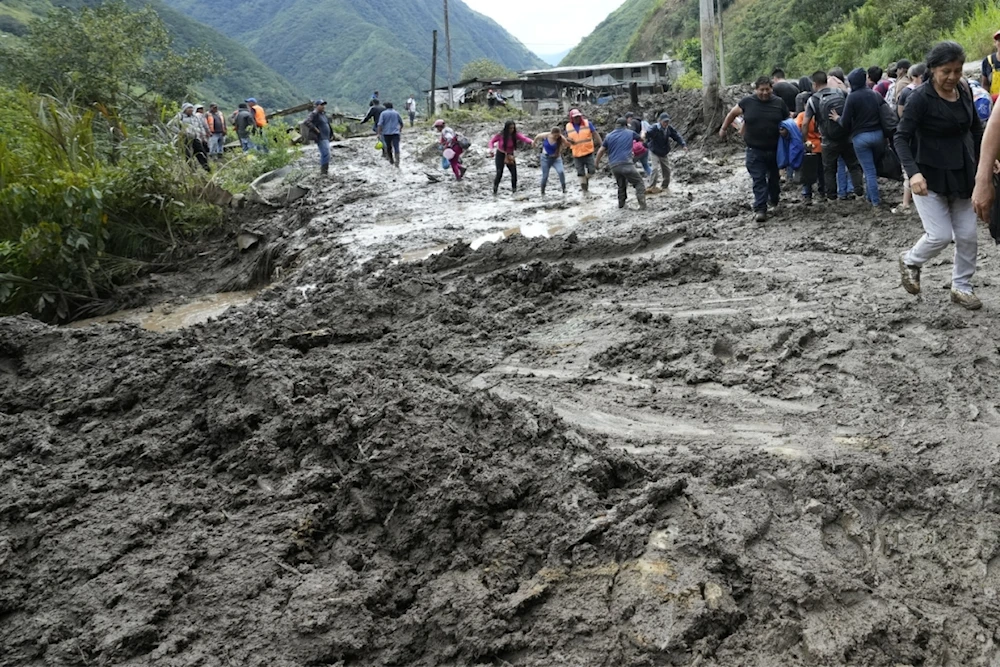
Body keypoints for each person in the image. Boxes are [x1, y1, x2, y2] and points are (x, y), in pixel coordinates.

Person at [896, 41, 984, 310]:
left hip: (963, 172)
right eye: (946, 71)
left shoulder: (964, 90)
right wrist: (913, 174)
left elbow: (976, 130)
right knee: (940, 235)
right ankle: (911, 260)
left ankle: (962, 286)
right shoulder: (920, 99)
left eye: (957, 71)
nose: (952, 77)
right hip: (928, 175)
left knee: (968, 235)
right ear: (932, 69)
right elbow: (900, 137)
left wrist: (987, 161)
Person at [720, 76, 790, 222]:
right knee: (758, 180)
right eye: (761, 90)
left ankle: (774, 198)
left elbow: (787, 120)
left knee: (774, 180)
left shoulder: (779, 103)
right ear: (756, 89)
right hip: (754, 149)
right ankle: (760, 209)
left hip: (775, 149)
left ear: (772, 88)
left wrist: (785, 130)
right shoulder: (747, 102)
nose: (765, 92)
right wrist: (724, 128)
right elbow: (732, 113)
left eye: (768, 89)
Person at [804, 70, 864, 202]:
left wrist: (805, 140)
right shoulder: (840, 92)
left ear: (814, 84)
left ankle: (831, 196)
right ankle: (859, 192)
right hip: (846, 136)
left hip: (828, 140)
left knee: (829, 169)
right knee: (853, 166)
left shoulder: (812, 100)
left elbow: (805, 123)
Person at [830, 67, 885, 207]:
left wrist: (836, 118)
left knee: (869, 171)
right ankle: (870, 196)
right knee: (873, 169)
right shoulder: (874, 94)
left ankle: (875, 202)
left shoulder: (852, 97)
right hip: (878, 135)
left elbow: (845, 122)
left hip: (861, 138)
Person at [595, 117, 646, 210]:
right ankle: (642, 205)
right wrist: (643, 133)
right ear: (625, 125)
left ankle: (621, 205)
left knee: (621, 185)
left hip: (614, 166)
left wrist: (596, 164)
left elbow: (601, 150)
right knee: (639, 182)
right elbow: (642, 140)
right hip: (627, 163)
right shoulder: (630, 133)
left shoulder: (609, 136)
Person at [644, 112, 687, 191]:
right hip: (654, 151)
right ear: (660, 121)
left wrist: (683, 144)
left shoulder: (669, 128)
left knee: (667, 170)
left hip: (664, 151)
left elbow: (676, 136)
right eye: (664, 122)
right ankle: (651, 186)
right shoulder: (654, 128)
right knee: (655, 169)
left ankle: (664, 186)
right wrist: (644, 140)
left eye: (667, 122)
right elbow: (646, 135)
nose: (666, 123)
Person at [488, 120, 533, 194]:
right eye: (510, 128)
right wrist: (491, 149)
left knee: (514, 173)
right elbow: (491, 141)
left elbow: (524, 138)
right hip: (500, 154)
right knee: (499, 173)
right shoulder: (500, 135)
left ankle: (514, 191)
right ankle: (495, 191)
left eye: (513, 128)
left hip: (510, 155)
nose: (511, 130)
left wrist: (532, 141)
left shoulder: (515, 135)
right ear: (506, 128)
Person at [564, 109, 602, 193]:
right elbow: (566, 137)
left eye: (578, 117)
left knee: (592, 170)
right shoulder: (568, 126)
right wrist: (568, 140)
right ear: (571, 118)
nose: (577, 119)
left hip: (588, 152)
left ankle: (586, 179)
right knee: (580, 173)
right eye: (575, 117)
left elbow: (595, 133)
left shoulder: (587, 124)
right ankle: (585, 192)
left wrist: (601, 144)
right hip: (576, 154)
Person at [171, 103, 209, 171]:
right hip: (185, 138)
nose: (191, 109)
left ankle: (206, 167)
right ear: (185, 109)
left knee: (201, 152)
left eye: (192, 108)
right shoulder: (180, 116)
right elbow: (171, 125)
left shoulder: (195, 117)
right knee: (187, 154)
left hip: (195, 137)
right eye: (189, 108)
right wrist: (180, 132)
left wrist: (203, 137)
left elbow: (200, 126)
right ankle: (191, 169)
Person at [533, 127, 570, 195]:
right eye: (554, 136)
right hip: (545, 158)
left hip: (556, 159)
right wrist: (534, 143)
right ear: (551, 133)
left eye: (557, 135)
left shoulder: (561, 138)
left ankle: (564, 189)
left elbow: (567, 144)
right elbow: (537, 136)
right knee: (545, 176)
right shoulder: (546, 135)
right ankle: (542, 191)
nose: (556, 137)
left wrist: (562, 148)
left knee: (561, 172)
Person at [304, 99, 333, 175]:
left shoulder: (323, 114)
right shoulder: (314, 113)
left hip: (326, 137)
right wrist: (315, 129)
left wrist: (331, 134)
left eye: (324, 105)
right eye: (321, 105)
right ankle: (323, 172)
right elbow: (306, 121)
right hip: (321, 137)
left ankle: (325, 171)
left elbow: (327, 124)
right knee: (325, 153)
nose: (323, 106)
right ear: (317, 106)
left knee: (327, 153)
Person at [377, 102, 404, 168]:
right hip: (395, 133)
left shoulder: (383, 113)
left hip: (386, 133)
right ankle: (397, 162)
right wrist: (400, 130)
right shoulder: (396, 113)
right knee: (396, 147)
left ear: (385, 107)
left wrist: (378, 133)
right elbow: (401, 123)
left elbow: (380, 124)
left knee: (388, 147)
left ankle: (391, 160)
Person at [981, 30, 1000, 100]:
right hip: (993, 102)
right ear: (995, 43)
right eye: (999, 40)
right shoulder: (988, 61)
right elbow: (985, 85)